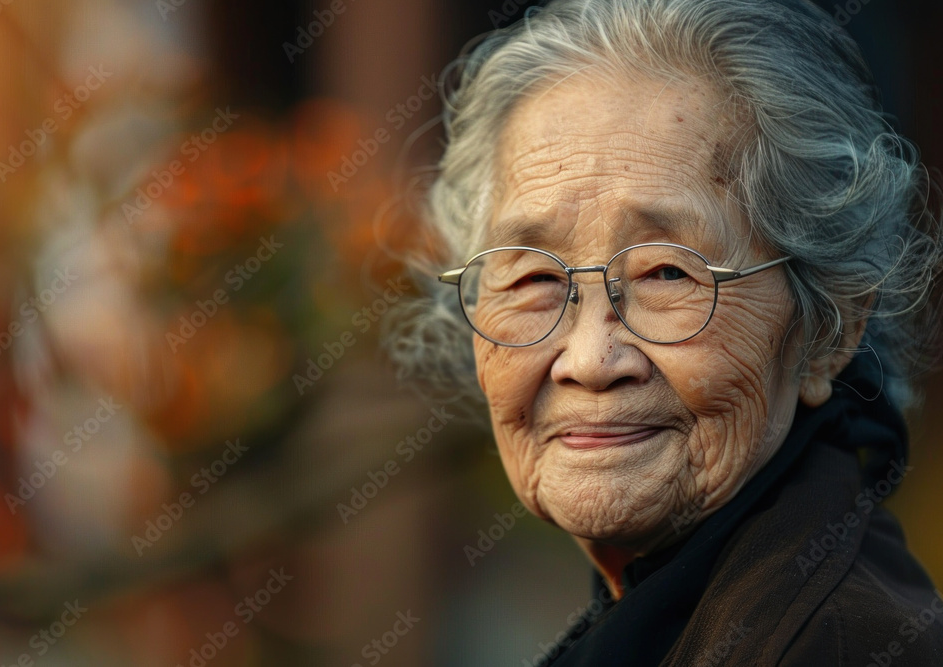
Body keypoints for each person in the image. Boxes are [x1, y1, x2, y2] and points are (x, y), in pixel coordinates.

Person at [385, 0, 943, 664]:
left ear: (829, 330)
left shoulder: (836, 643)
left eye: (667, 274)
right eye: (534, 278)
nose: (591, 359)